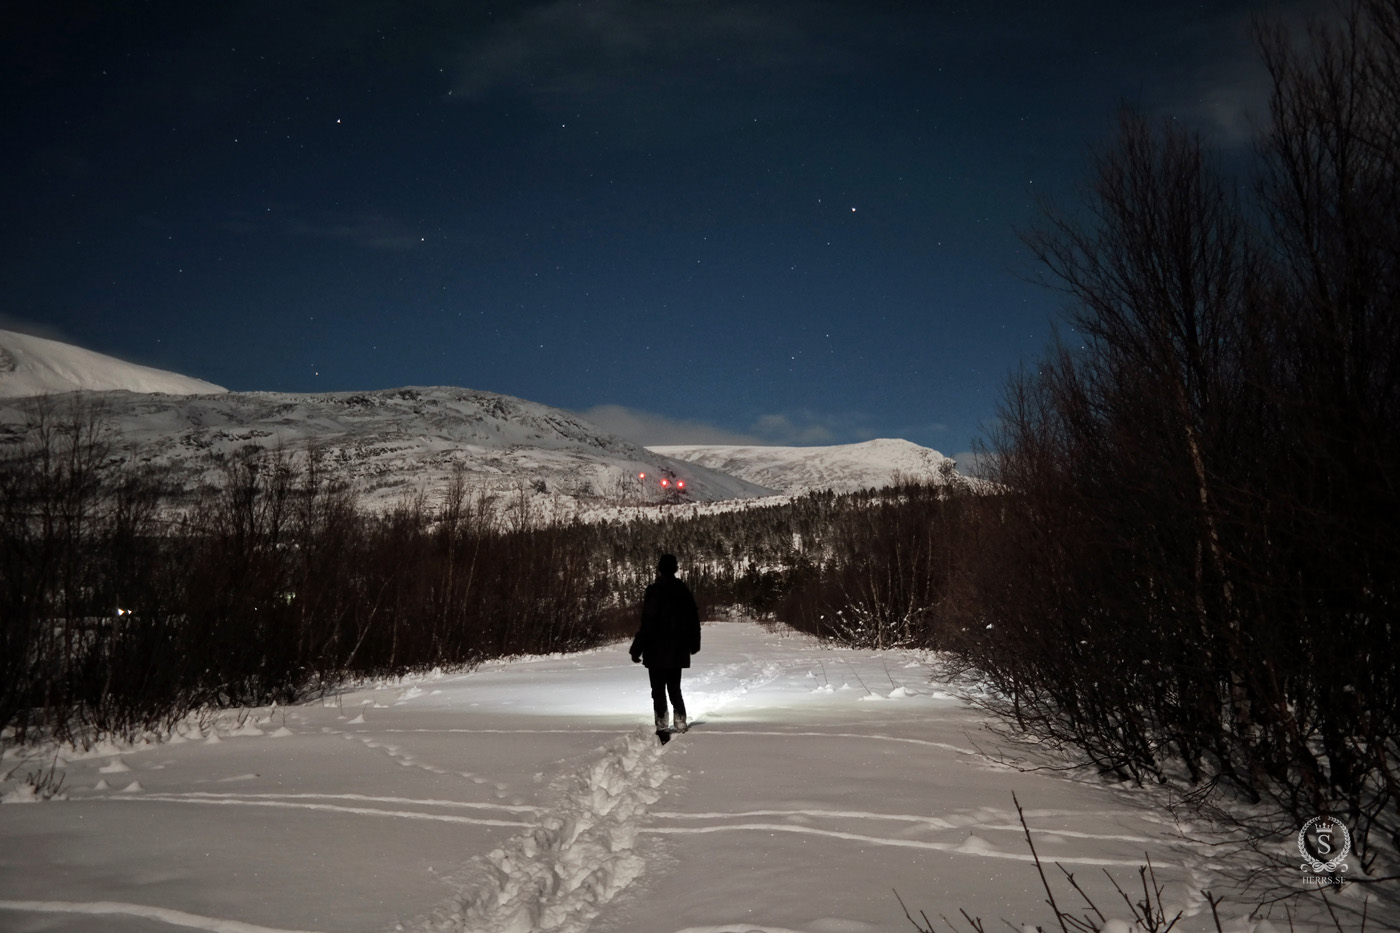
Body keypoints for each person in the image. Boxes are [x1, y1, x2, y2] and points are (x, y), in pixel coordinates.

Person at [630, 553, 701, 735]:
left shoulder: (655, 591)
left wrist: (637, 649)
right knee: (674, 687)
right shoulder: (683, 591)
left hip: (655, 649)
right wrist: (694, 643)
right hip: (678, 648)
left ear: (660, 569)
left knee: (658, 689)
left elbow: (648, 622)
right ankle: (680, 720)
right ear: (676, 569)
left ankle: (662, 723)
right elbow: (693, 619)